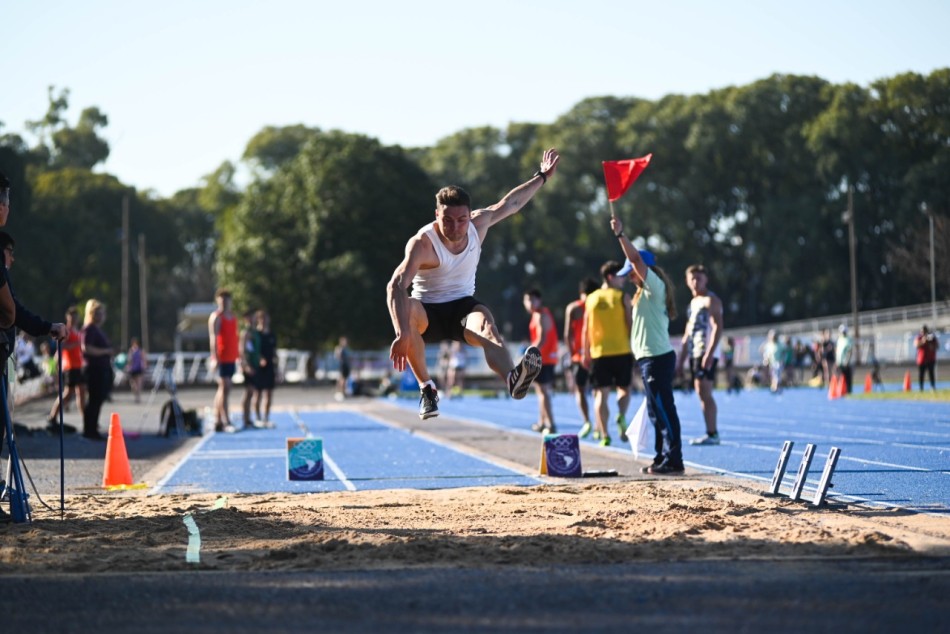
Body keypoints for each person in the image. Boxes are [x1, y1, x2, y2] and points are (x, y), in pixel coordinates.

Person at [386, 148, 560, 419]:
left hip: (462, 307)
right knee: (407, 308)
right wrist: (402, 334)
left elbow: (511, 204)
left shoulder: (479, 224)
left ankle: (512, 378)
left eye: (462, 220)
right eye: (447, 220)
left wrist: (542, 176)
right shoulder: (422, 244)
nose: (456, 228)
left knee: (488, 325)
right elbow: (396, 285)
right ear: (436, 215)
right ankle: (427, 390)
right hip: (426, 312)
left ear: (470, 216)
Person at [610, 215, 683, 474]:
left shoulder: (654, 286)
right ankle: (662, 456)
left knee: (663, 409)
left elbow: (635, 259)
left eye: (631, 273)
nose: (630, 277)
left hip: (657, 358)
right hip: (647, 359)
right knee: (655, 411)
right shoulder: (642, 293)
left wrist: (620, 234)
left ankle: (674, 460)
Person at [0, 228, 69, 436]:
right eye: (11, 252)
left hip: (8, 359)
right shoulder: (1, 273)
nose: (13, 259)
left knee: (5, 413)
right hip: (5, 356)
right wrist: (47, 327)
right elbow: (14, 312)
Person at [581, 261, 633, 446]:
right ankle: (621, 415)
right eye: (621, 276)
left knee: (601, 395)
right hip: (621, 350)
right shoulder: (622, 297)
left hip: (598, 353)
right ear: (610, 277)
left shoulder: (591, 298)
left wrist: (584, 351)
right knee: (624, 389)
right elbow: (630, 324)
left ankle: (605, 435)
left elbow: (586, 328)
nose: (624, 280)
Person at [680, 264, 723, 446]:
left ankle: (713, 432)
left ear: (706, 280)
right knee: (700, 391)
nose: (696, 282)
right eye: (693, 278)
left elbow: (717, 327)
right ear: (687, 281)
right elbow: (688, 333)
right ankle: (710, 432)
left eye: (699, 278)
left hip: (705, 352)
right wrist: (681, 360)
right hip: (694, 352)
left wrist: (709, 353)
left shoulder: (710, 300)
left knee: (705, 390)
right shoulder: (693, 303)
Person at [564, 277, 599, 437]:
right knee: (598, 391)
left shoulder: (574, 308)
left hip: (579, 356)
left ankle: (587, 422)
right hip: (597, 353)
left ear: (581, 292)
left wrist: (572, 354)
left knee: (580, 390)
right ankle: (599, 426)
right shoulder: (598, 305)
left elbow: (567, 334)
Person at [524, 289, 559, 434]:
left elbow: (542, 338)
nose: (530, 303)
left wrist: (529, 354)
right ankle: (542, 422)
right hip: (542, 358)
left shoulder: (541, 315)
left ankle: (551, 424)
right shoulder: (536, 315)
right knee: (540, 391)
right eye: (528, 300)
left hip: (545, 358)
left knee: (543, 392)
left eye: (533, 300)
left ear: (539, 300)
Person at [80, 299, 114, 440]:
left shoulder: (96, 329)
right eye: (98, 313)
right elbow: (86, 348)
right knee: (94, 400)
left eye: (101, 313)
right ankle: (89, 430)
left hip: (101, 368)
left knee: (97, 399)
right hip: (94, 369)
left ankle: (92, 428)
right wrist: (106, 351)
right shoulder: (89, 329)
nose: (101, 316)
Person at [48, 306, 86, 431]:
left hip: (78, 365)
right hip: (70, 366)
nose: (74, 319)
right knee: (67, 393)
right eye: (72, 317)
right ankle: (52, 416)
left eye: (75, 317)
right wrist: (76, 344)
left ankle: (85, 420)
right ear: (68, 318)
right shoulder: (66, 330)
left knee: (81, 392)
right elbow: (62, 347)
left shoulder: (77, 330)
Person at [208, 288, 238, 433]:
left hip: (231, 357)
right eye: (222, 300)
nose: (225, 302)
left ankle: (218, 419)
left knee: (224, 389)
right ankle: (226, 421)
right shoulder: (216, 317)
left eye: (227, 299)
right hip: (221, 358)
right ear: (218, 301)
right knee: (224, 387)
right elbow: (213, 338)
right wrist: (214, 358)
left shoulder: (233, 317)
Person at [253, 309, 278, 427]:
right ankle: (257, 418)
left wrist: (277, 368)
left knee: (269, 394)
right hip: (258, 368)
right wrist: (259, 359)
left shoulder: (272, 335)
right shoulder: (256, 335)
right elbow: (252, 350)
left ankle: (266, 418)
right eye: (261, 318)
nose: (264, 321)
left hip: (270, 367)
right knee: (257, 393)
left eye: (265, 318)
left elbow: (274, 352)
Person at [240, 310, 259, 428]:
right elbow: (242, 350)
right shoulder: (246, 332)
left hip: (255, 364)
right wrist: (246, 365)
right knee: (248, 392)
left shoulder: (255, 332)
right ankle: (245, 419)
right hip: (249, 365)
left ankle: (249, 418)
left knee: (252, 393)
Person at [914, 325, 938, 391]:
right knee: (921, 374)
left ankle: (932, 387)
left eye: (925, 332)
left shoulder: (932, 338)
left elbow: (936, 346)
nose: (923, 333)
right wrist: (923, 341)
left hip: (930, 359)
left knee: (931, 374)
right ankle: (921, 388)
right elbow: (916, 345)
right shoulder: (919, 338)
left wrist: (929, 343)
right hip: (921, 359)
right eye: (922, 332)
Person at [127, 337, 146, 403]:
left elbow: (143, 359)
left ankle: (138, 398)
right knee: (133, 385)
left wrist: (144, 366)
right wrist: (128, 366)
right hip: (132, 369)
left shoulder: (140, 351)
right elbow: (129, 360)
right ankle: (136, 395)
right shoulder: (131, 351)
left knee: (139, 384)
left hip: (139, 368)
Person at [835, 325, 854, 394]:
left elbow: (850, 351)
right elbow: (837, 351)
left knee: (847, 378)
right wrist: (837, 361)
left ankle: (848, 391)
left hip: (846, 363)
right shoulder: (839, 339)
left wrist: (847, 361)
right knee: (840, 377)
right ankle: (841, 391)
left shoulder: (848, 339)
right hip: (840, 362)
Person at [334, 336, 351, 401]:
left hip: (346, 366)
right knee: (341, 379)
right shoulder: (339, 348)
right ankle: (340, 392)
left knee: (345, 380)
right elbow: (337, 356)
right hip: (342, 365)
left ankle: (343, 392)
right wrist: (340, 352)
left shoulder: (347, 349)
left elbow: (348, 358)